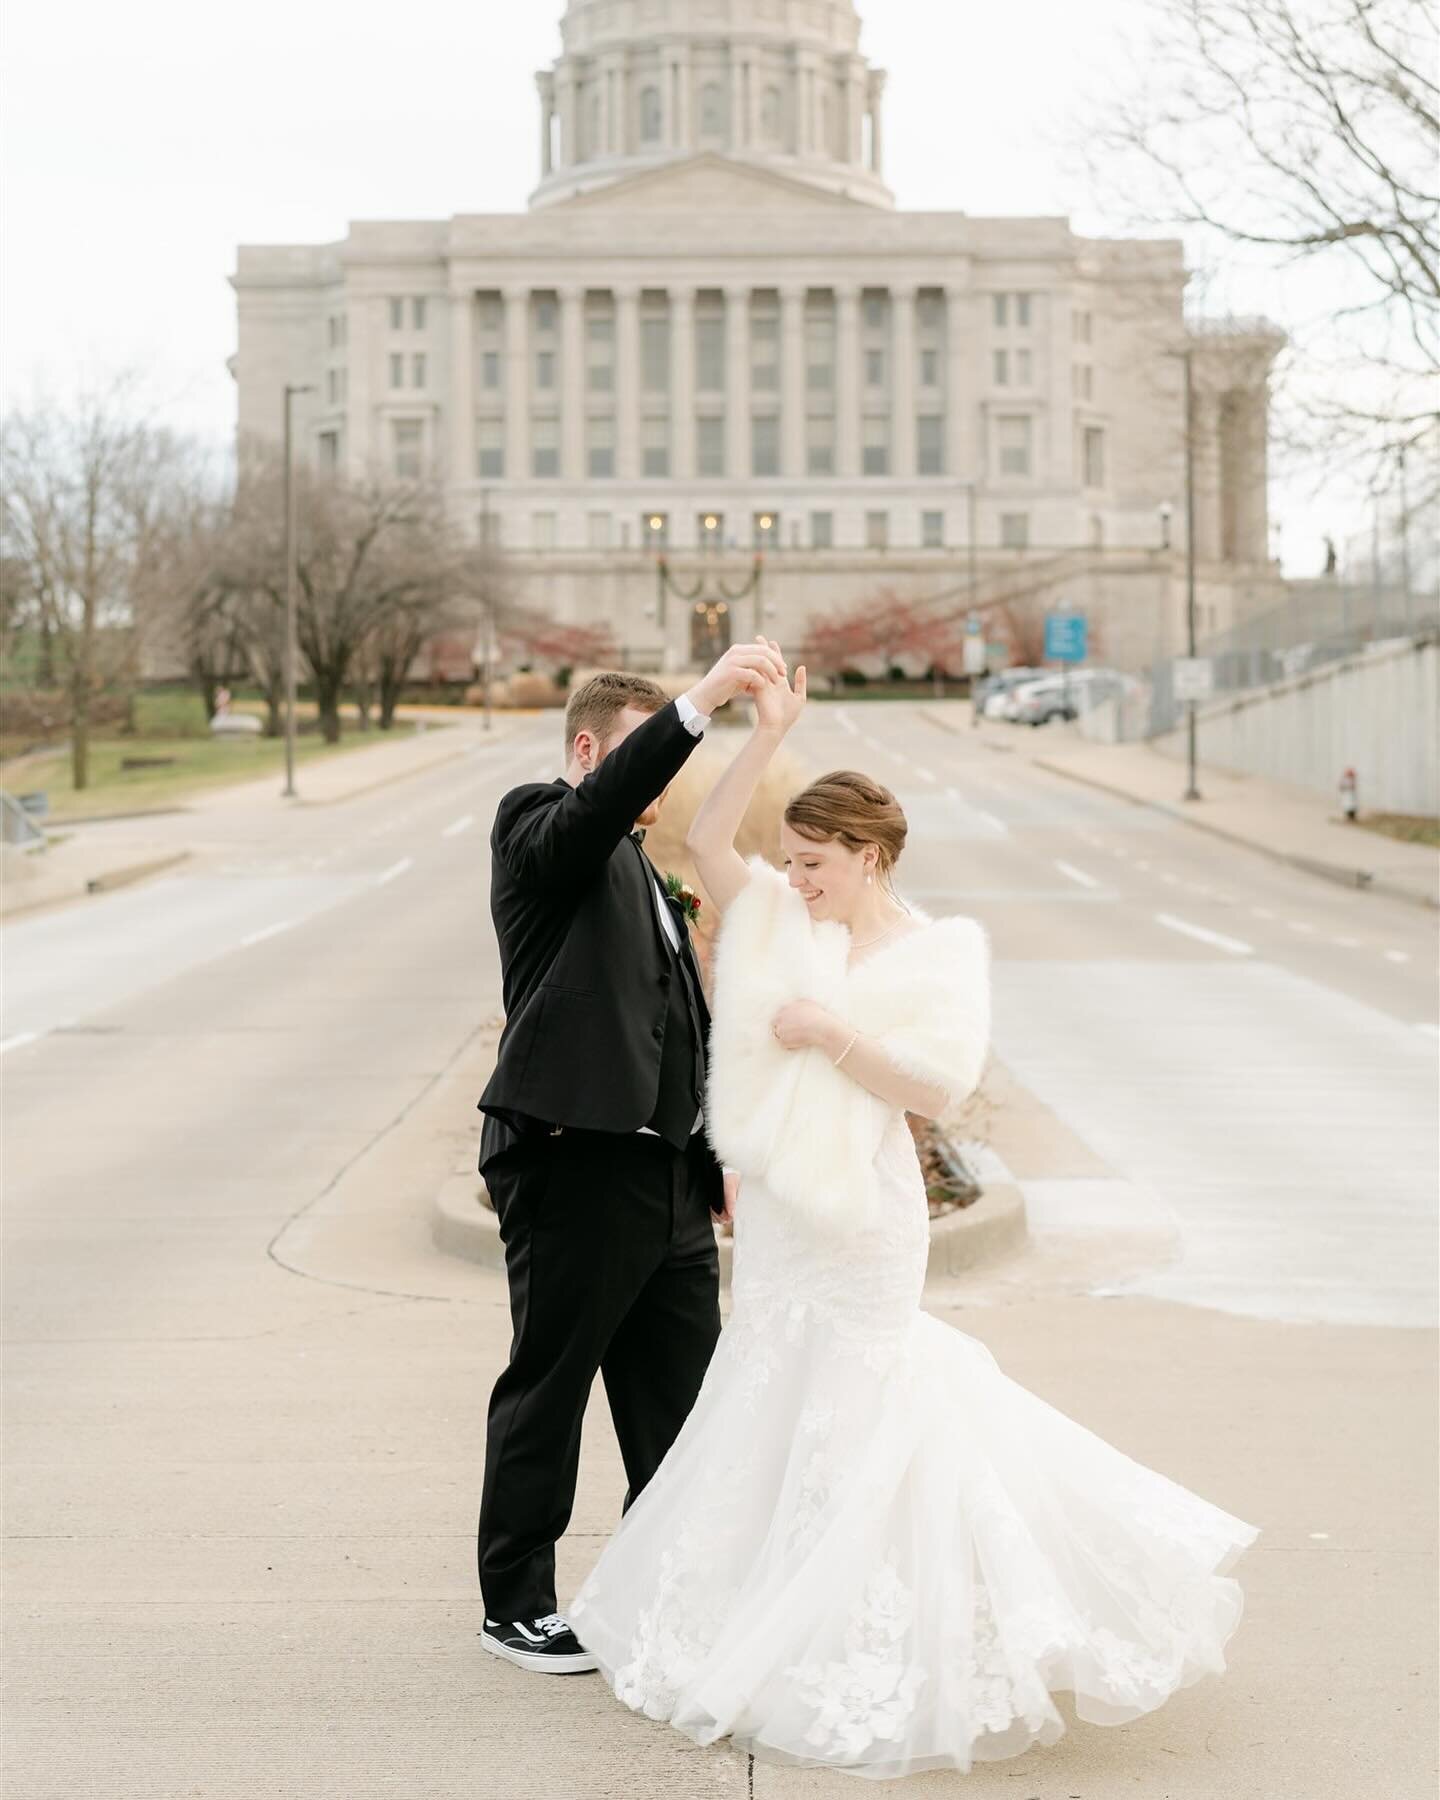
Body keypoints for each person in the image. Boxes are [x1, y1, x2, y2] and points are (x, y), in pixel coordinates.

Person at [568, 640, 1259, 1777]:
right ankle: (748, 1615)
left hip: (868, 1225)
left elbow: (936, 1092)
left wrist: (831, 1034)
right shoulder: (785, 920)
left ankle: (857, 1640)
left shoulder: (937, 956)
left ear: (872, 856)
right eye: (789, 859)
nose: (795, 879)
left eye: (817, 863)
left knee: (857, 1416)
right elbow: (702, 841)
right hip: (785, 1220)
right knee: (768, 1404)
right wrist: (771, 738)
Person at [475, 645, 782, 1675]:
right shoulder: (537, 828)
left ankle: (670, 1587)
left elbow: (676, 1027)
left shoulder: (647, 876)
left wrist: (713, 1150)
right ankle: (514, 1603)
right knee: (550, 1386)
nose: (653, 788)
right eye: (637, 761)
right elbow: (595, 811)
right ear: (587, 751)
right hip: (575, 1165)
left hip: (667, 1181)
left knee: (683, 1404)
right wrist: (700, 702)